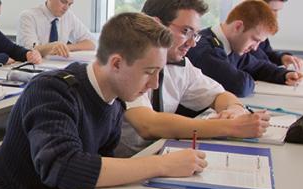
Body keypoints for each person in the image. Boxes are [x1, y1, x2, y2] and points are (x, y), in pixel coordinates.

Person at [0, 12, 206, 189]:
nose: (155, 84)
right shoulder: (52, 91)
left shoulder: (114, 102)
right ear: (117, 63)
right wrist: (161, 165)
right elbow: (63, 166)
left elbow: (100, 169)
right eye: (149, 72)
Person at [115, 0, 271, 157]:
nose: (192, 43)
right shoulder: (126, 61)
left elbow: (220, 95)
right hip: (123, 165)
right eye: (185, 31)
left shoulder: (181, 65)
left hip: (156, 155)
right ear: (156, 24)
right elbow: (148, 125)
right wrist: (231, 126)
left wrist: (234, 110)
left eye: (194, 35)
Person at [187, 0, 303, 97]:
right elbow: (239, 85)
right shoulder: (205, 48)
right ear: (238, 26)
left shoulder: (232, 48)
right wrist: (250, 79)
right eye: (255, 39)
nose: (255, 48)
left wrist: (286, 74)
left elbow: (259, 67)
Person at [16, 0, 95, 58]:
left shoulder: (68, 16)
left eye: (70, 4)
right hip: (33, 67)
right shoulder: (28, 17)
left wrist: (65, 47)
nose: (66, 8)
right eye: (63, 2)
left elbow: (91, 43)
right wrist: (53, 46)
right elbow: (29, 50)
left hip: (56, 67)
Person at [253, 0, 303, 70]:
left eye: (277, 11)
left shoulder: (260, 29)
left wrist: (282, 58)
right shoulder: (243, 32)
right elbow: (256, 64)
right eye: (273, 10)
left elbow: (267, 53)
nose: (276, 16)